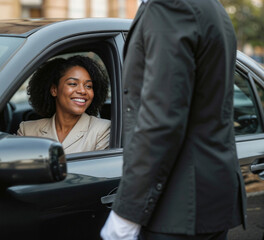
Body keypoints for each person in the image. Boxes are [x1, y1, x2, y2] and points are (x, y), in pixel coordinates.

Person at [101, 0, 246, 239]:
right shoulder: (212, 6)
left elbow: (161, 121)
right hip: (206, 203)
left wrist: (126, 215)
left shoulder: (169, 6)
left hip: (175, 209)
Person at [17, 55, 110, 154]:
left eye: (88, 86)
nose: (83, 91)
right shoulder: (27, 131)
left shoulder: (102, 130)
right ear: (54, 90)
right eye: (73, 84)